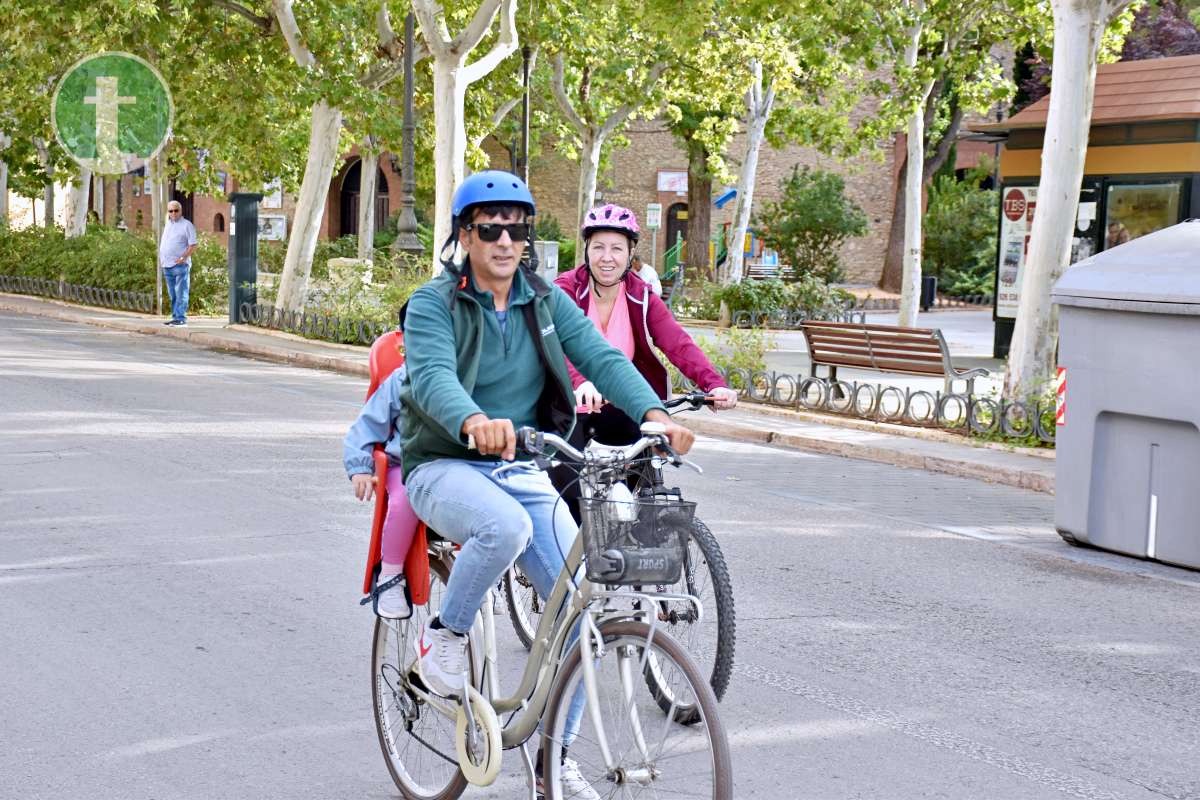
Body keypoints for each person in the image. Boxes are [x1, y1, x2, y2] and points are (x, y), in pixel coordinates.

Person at [399, 171, 694, 798]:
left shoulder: (543, 299)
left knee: (586, 606)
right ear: (464, 234)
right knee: (504, 527)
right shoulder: (434, 303)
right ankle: (444, 638)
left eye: (517, 227)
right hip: (443, 463)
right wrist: (472, 419)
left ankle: (553, 762)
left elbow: (604, 359)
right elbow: (429, 377)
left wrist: (654, 414)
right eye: (490, 227)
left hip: (517, 464)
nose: (505, 240)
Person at [551, 203, 737, 520]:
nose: (606, 257)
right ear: (586, 249)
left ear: (630, 253)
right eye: (598, 247)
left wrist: (713, 384)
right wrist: (580, 382)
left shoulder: (641, 296)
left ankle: (618, 548)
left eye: (616, 248)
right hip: (566, 408)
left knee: (637, 477)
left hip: (619, 406)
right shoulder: (564, 291)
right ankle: (567, 556)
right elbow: (557, 344)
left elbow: (677, 343)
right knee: (569, 501)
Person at [342, 364, 420, 619]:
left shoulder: (478, 371)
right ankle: (391, 575)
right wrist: (360, 467)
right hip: (407, 465)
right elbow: (365, 427)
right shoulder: (402, 379)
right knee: (406, 499)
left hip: (457, 467)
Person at [159, 200, 197, 326]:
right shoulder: (168, 224)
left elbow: (193, 245)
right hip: (167, 265)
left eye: (176, 210)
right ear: (168, 212)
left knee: (181, 292)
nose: (173, 213)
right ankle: (175, 317)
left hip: (180, 265)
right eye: (171, 211)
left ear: (181, 211)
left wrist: (183, 257)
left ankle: (181, 318)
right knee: (173, 294)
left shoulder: (187, 225)